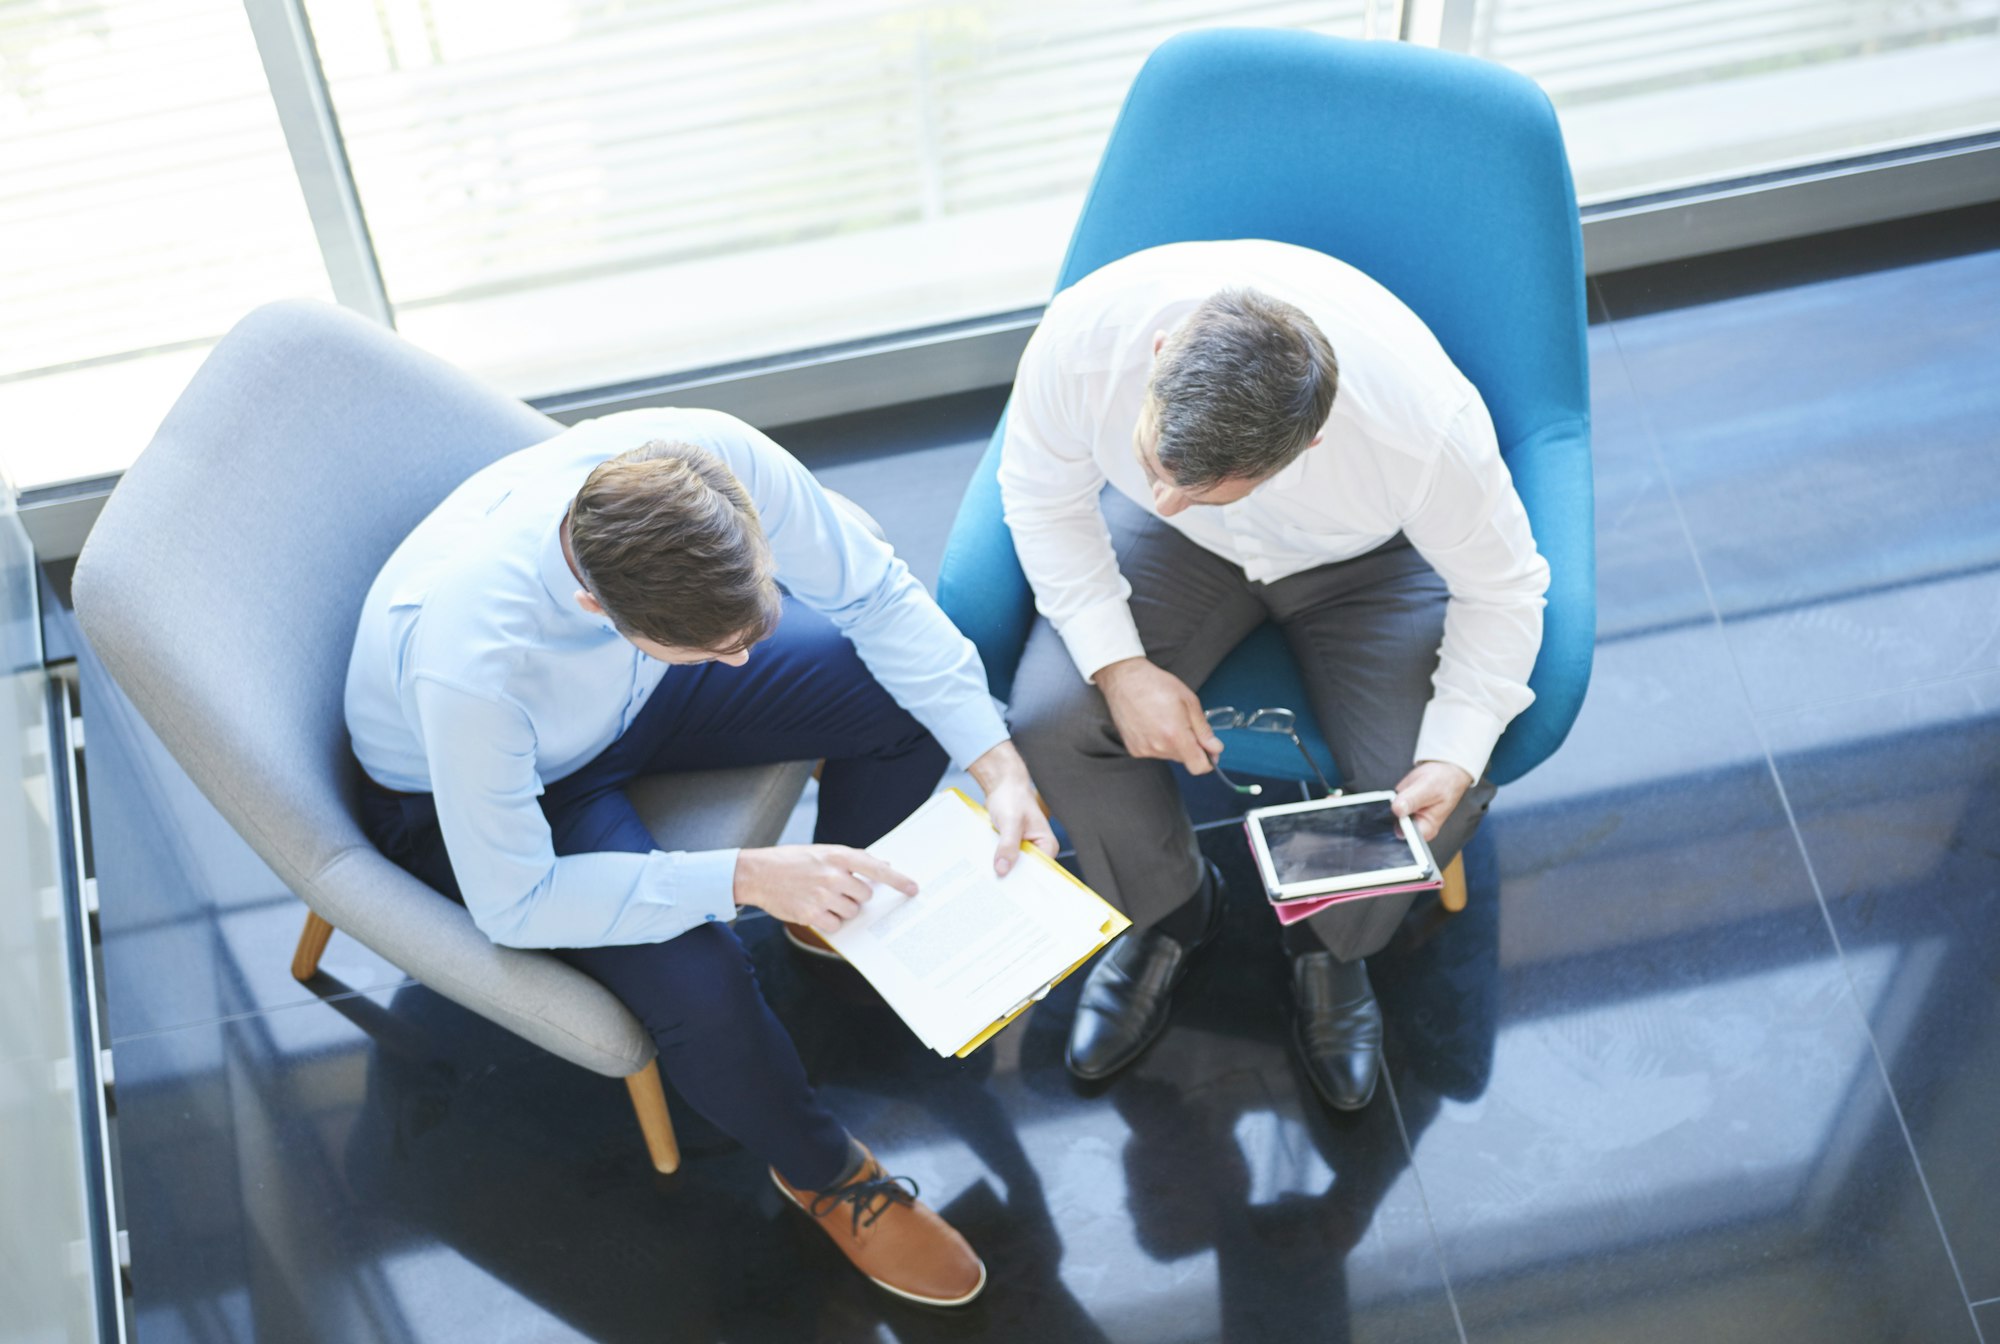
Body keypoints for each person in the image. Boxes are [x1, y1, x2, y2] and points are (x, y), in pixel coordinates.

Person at [344, 406, 1056, 1308]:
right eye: (722, 648)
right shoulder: (472, 662)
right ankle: (826, 1176)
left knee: (904, 694)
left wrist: (997, 762)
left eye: (754, 625)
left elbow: (872, 597)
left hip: (643, 692)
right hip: (478, 790)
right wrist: (745, 878)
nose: (744, 660)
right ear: (598, 609)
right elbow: (515, 902)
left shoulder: (714, 458)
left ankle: (829, 932)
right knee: (702, 982)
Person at [999, 239, 1547, 1111]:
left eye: (1205, 484)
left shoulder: (1421, 429)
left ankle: (1332, 948)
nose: (1166, 491)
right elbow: (1041, 499)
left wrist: (1455, 749)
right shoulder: (1084, 337)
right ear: (1159, 355)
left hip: (1367, 565)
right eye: (1155, 465)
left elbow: (1505, 589)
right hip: (1178, 559)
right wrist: (1117, 663)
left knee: (1420, 787)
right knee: (1056, 717)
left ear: (1311, 440)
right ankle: (1171, 912)